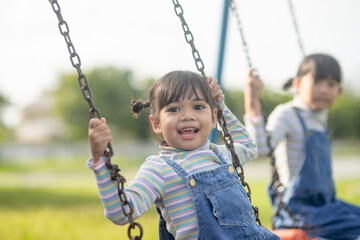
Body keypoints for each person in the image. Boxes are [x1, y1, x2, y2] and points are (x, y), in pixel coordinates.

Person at [87, 70, 280, 239]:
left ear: (213, 118)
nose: (187, 115)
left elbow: (248, 145)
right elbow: (122, 212)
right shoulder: (159, 169)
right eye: (174, 109)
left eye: (198, 107)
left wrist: (221, 105)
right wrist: (100, 161)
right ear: (157, 124)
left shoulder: (220, 153)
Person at [244, 53, 360, 240]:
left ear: (339, 90)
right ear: (297, 84)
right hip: (298, 210)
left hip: (326, 205)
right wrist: (252, 101)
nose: (324, 90)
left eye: (331, 84)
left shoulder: (320, 117)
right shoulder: (287, 114)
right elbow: (260, 149)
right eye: (317, 82)